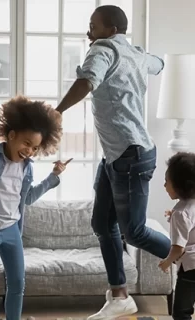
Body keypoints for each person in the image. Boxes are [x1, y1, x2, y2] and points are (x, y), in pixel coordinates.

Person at [56, 5, 171, 319]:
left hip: (129, 157)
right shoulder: (133, 52)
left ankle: (187, 257)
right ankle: (120, 295)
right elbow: (159, 64)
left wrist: (58, 111)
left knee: (133, 232)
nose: (88, 32)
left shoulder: (103, 49)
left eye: (93, 26)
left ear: (110, 30)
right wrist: (149, 59)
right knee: (102, 225)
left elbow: (87, 81)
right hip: (119, 155)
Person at [0, 96, 72, 320]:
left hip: (12, 231)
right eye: (26, 143)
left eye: (35, 148)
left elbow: (26, 198)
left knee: (18, 284)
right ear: (11, 135)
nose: (29, 151)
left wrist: (53, 176)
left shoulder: (27, 168)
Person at [159, 152, 195, 320]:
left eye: (167, 182)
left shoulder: (181, 213)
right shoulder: (187, 207)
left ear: (180, 185)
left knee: (181, 311)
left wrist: (166, 262)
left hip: (190, 268)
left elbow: (178, 248)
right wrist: (172, 215)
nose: (164, 186)